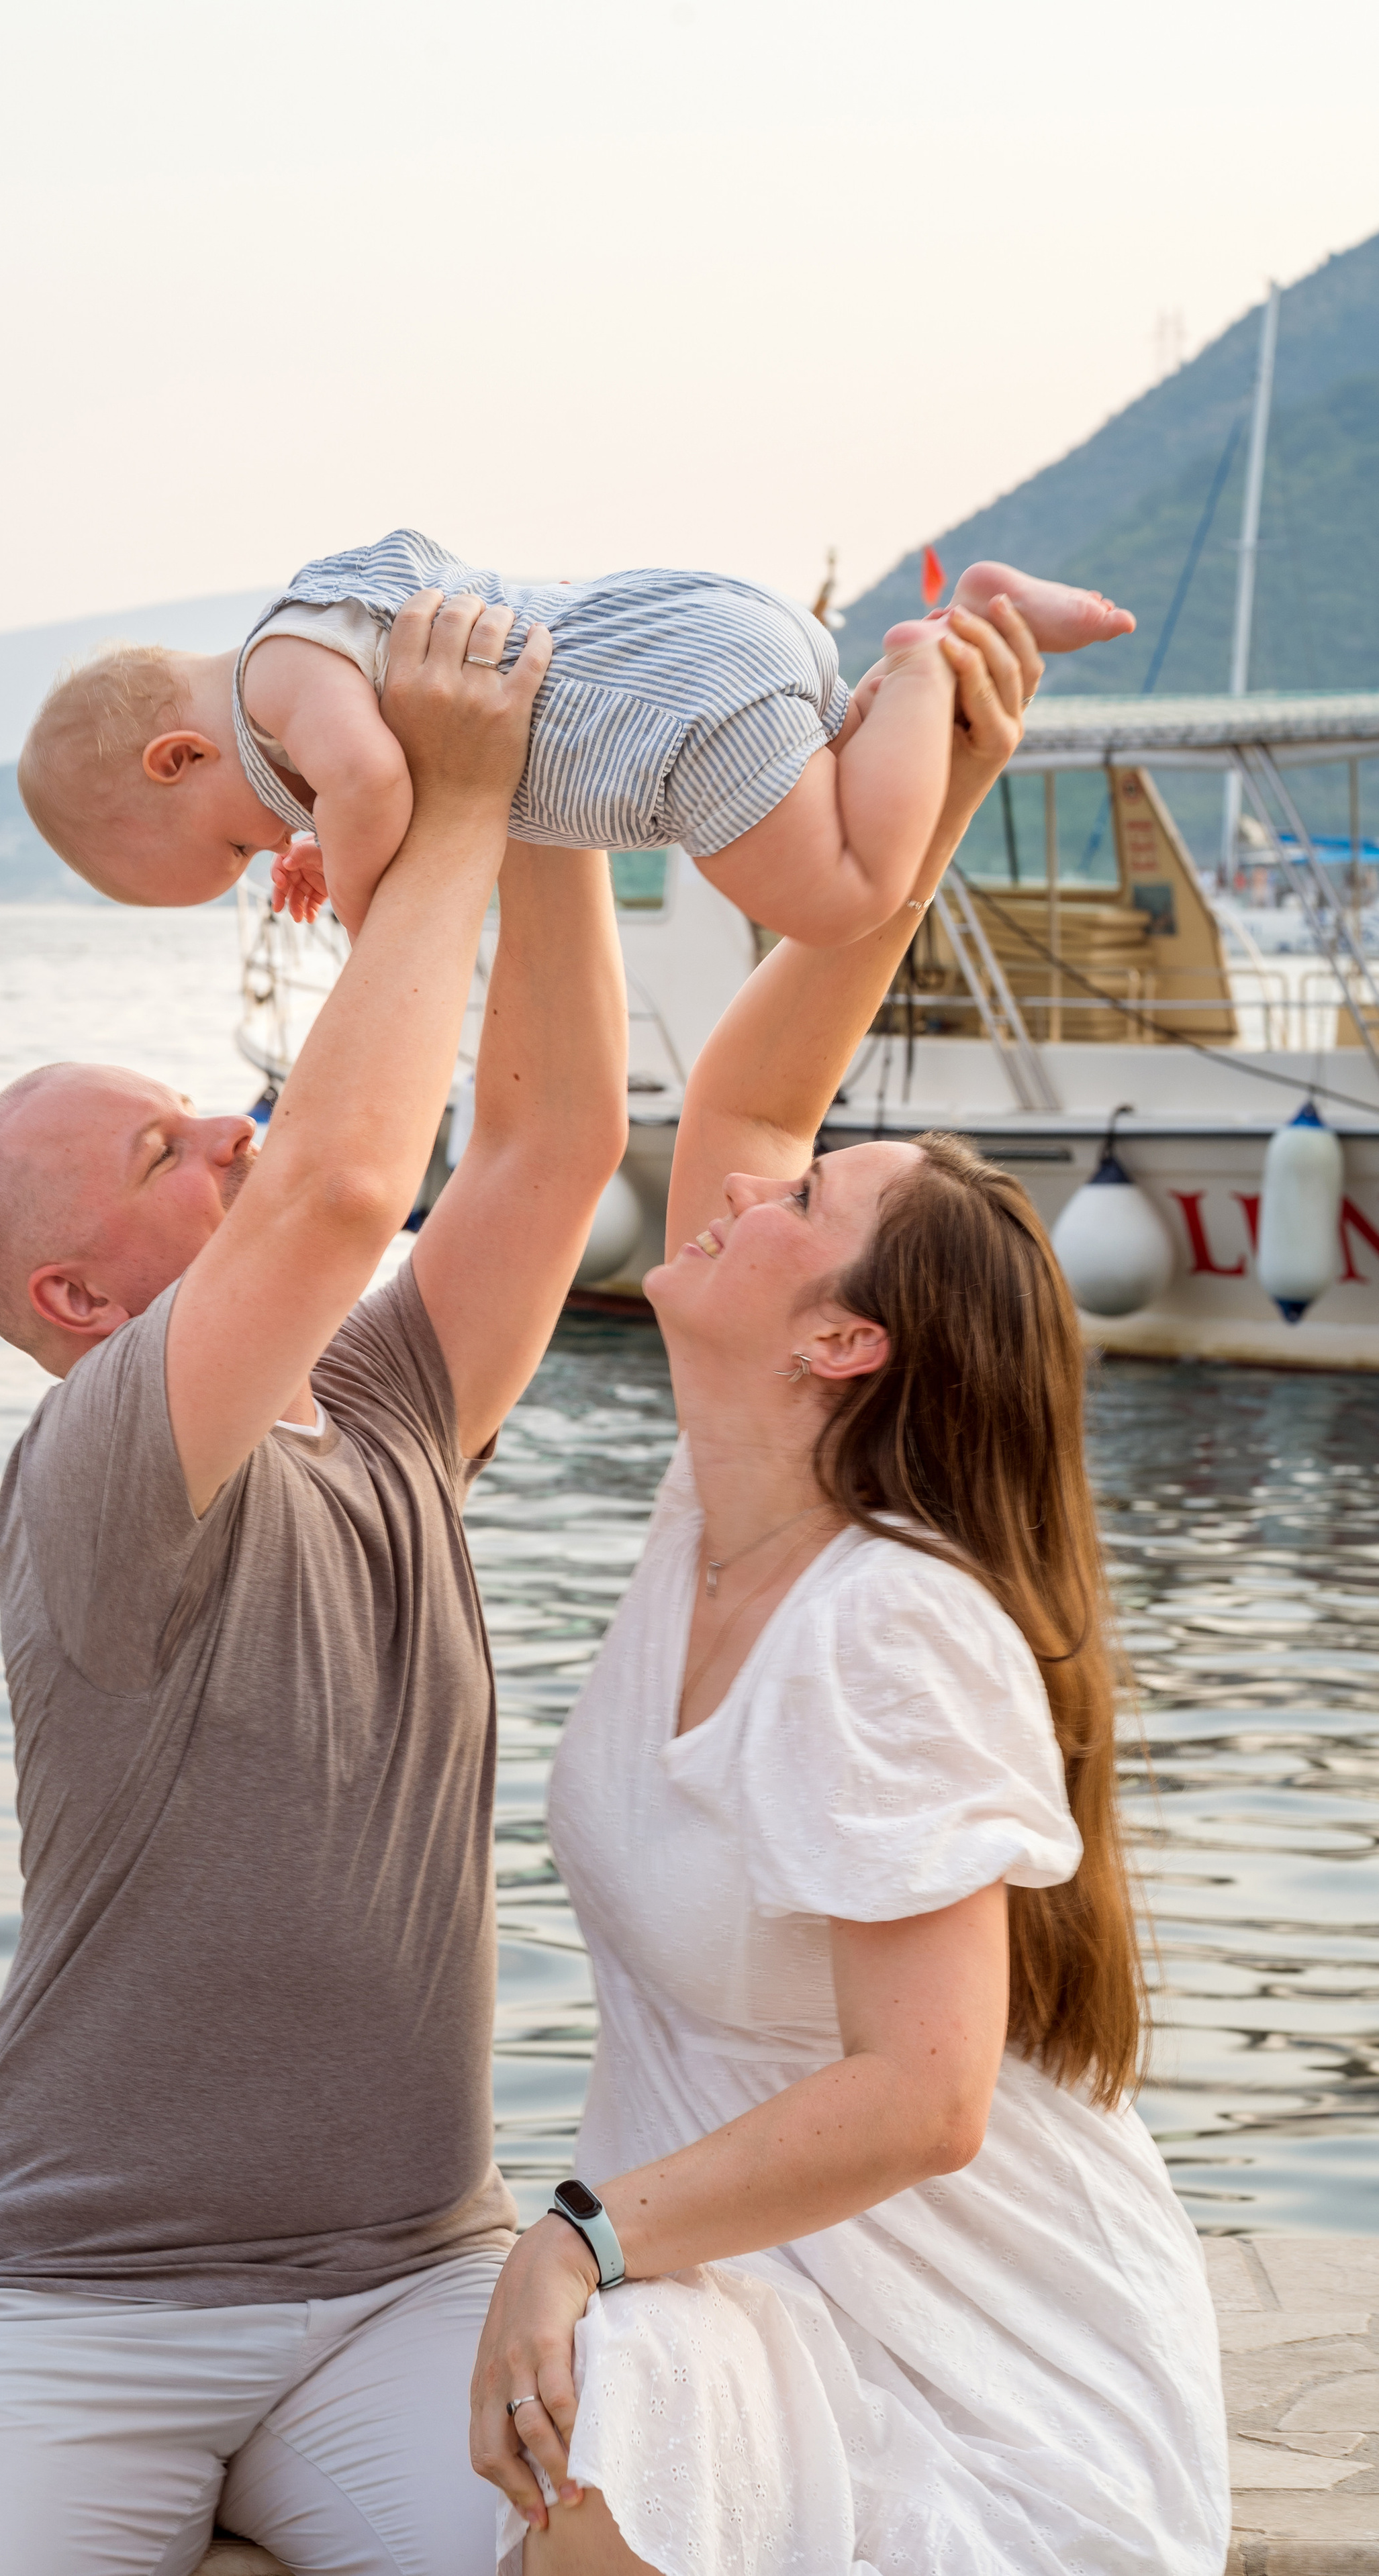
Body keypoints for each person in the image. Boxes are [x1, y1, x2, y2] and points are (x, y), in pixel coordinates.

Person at [0, 590, 633, 2576]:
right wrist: (439, 805)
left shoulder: (373, 1406)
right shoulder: (97, 1461)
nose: (227, 1120)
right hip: (63, 2307)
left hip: (401, 2283)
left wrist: (542, 788)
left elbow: (548, 1148)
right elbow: (349, 1184)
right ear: (78, 1301)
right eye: (161, 1144)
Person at [467, 599, 1231, 2576]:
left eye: (800, 1205)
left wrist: (583, 2227)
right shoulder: (710, 1505)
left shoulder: (888, 1625)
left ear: (843, 1349)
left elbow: (929, 2092)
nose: (739, 1183)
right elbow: (747, 1098)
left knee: (598, 2396)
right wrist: (932, 794)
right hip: (770, 2284)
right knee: (599, 2409)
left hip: (980, 2358)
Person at [15, 526, 1133, 944]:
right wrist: (319, 834)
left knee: (841, 900)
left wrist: (369, 909)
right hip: (704, 632)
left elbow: (364, 776)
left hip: (671, 712)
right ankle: (967, 618)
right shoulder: (313, 649)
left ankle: (928, 658)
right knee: (848, 814)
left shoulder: (277, 667)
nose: (268, 853)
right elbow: (361, 769)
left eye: (235, 849)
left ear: (180, 755)